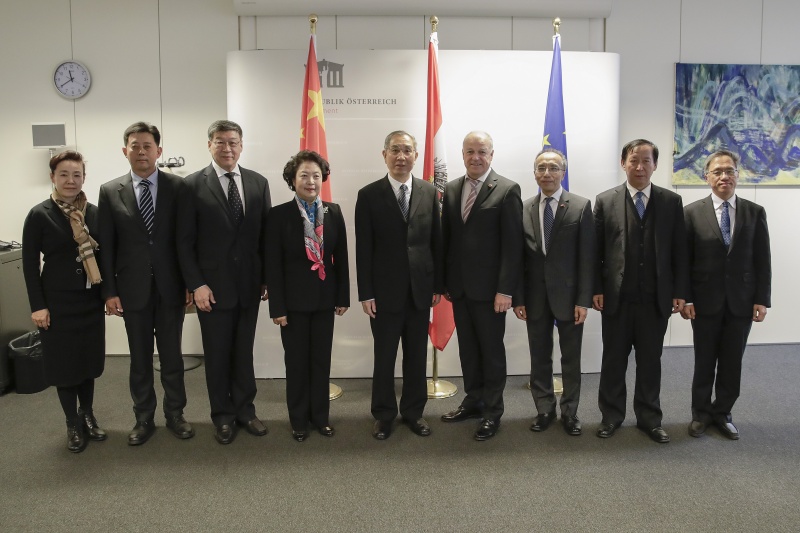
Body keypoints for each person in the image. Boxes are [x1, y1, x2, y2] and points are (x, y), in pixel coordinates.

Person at [97, 122, 194, 445]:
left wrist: (189, 285)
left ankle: (176, 415)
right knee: (139, 360)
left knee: (172, 358)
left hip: (170, 288)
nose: (141, 151)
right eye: (135, 146)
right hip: (131, 290)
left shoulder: (178, 188)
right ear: (125, 151)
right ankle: (143, 418)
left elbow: (184, 241)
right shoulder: (110, 191)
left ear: (159, 151)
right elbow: (107, 247)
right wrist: (109, 291)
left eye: (147, 146)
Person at [177, 120, 271, 445]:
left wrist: (265, 278)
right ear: (209, 145)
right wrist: (196, 284)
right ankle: (223, 416)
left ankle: (246, 410)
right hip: (211, 290)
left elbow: (264, 238)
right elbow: (184, 242)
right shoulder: (191, 185)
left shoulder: (258, 183)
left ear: (241, 145)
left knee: (243, 352)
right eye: (220, 142)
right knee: (217, 355)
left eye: (233, 142)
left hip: (248, 285)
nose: (227, 148)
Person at [592, 139, 689, 443]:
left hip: (655, 299)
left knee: (650, 361)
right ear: (624, 163)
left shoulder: (671, 202)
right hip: (616, 298)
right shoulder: (605, 201)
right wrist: (596, 288)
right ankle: (611, 416)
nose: (640, 166)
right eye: (634, 160)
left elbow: (680, 253)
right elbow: (595, 252)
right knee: (613, 361)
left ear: (655, 165)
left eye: (646, 161)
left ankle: (649, 418)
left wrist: (679, 292)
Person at [355, 131, 443, 441]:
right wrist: (365, 292)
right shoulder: (368, 195)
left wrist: (438, 286)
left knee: (416, 355)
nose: (401, 156)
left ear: (416, 156)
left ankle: (414, 412)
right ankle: (383, 414)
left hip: (420, 291)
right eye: (395, 150)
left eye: (407, 150)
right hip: (383, 292)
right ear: (384, 155)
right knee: (384, 356)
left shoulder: (429, 192)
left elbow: (436, 242)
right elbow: (363, 248)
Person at [681, 149, 771, 440]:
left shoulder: (754, 212)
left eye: (729, 171)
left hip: (742, 302)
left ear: (737, 175)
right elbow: (684, 261)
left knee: (732, 362)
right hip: (704, 302)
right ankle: (700, 414)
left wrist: (761, 299)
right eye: (717, 172)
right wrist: (687, 298)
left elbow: (762, 260)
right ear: (707, 177)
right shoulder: (692, 213)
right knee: (704, 361)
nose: (724, 176)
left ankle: (723, 413)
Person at [440, 131, 523, 441]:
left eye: (482, 151)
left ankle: (492, 411)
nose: (476, 157)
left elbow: (513, 246)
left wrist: (506, 290)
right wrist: (445, 282)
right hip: (459, 289)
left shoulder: (507, 189)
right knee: (469, 351)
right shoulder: (450, 189)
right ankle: (473, 400)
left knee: (491, 352)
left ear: (492, 154)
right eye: (470, 151)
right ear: (462, 154)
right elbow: (447, 239)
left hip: (491, 293)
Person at [22, 151, 105, 453]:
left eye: (77, 175)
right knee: (64, 365)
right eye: (64, 175)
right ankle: (72, 421)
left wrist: (108, 296)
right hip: (56, 304)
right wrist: (37, 306)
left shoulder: (94, 212)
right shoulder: (40, 214)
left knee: (87, 363)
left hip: (89, 301)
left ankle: (88, 414)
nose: (71, 181)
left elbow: (104, 257)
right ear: (52, 177)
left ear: (84, 177)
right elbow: (30, 264)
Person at [265, 150, 349, 442]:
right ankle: (299, 420)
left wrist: (343, 297)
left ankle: (321, 418)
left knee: (321, 361)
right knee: (297, 363)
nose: (311, 181)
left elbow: (341, 257)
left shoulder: (333, 211)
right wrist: (277, 306)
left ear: (323, 178)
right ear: (292, 179)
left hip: (325, 300)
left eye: (316, 175)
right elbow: (272, 266)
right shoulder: (278, 215)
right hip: (293, 304)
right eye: (304, 175)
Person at [513, 148, 595, 436]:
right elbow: (519, 259)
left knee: (570, 358)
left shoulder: (581, 206)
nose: (547, 173)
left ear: (563, 172)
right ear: (534, 172)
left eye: (553, 168)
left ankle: (570, 412)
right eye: (541, 168)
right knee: (539, 356)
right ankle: (544, 409)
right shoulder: (522, 208)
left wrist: (584, 299)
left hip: (570, 298)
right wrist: (519, 297)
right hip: (534, 298)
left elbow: (587, 257)